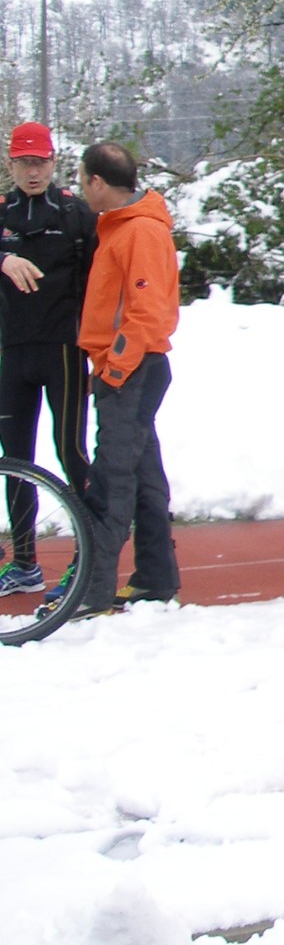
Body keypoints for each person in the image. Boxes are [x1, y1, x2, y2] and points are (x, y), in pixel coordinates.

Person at [70, 141, 181, 616]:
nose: (78, 189)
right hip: (133, 369)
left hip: (130, 372)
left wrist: (114, 369)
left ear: (97, 181)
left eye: (80, 179)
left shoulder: (138, 232)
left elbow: (147, 313)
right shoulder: (121, 227)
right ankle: (156, 579)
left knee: (111, 480)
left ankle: (88, 594)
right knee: (142, 475)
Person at [0, 121, 95, 597]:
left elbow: (103, 277)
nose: (33, 172)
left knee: (71, 451)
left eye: (40, 162)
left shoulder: (76, 213)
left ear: (53, 162)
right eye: (24, 163)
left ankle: (90, 556)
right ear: (11, 164)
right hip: (12, 351)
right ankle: (23, 563)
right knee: (15, 459)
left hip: (63, 350)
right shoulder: (2, 213)